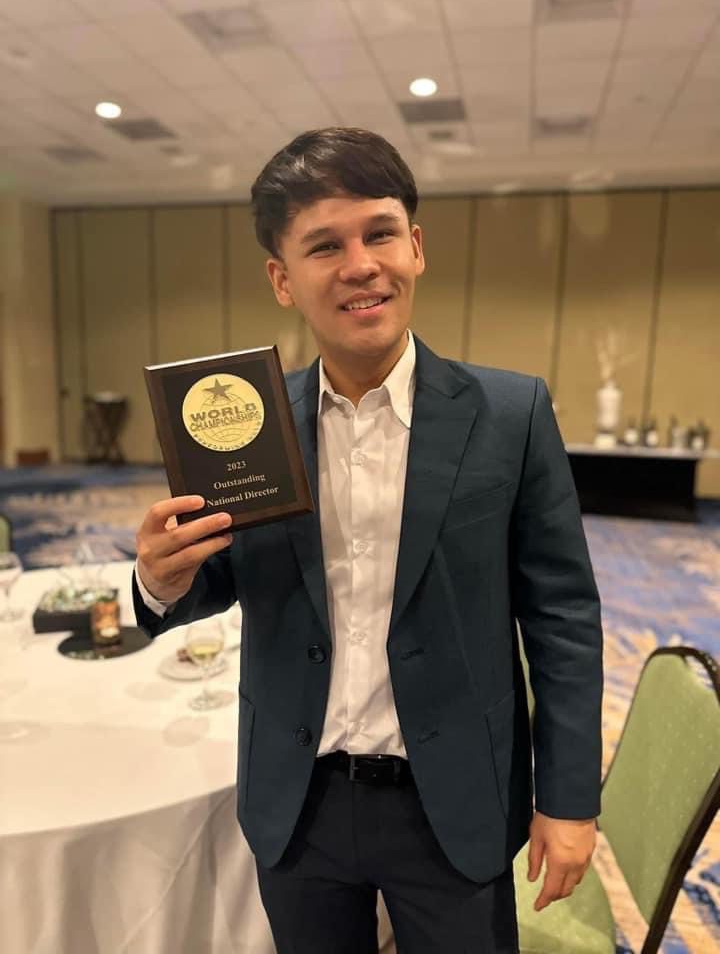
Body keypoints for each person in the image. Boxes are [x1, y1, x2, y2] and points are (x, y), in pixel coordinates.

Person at [133, 127, 603, 953]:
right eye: (324, 246)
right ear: (282, 279)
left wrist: (568, 800)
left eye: (379, 234)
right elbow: (222, 576)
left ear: (415, 247)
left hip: (453, 798)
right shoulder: (247, 427)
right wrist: (161, 580)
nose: (360, 266)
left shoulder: (510, 415)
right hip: (298, 799)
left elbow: (562, 617)